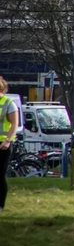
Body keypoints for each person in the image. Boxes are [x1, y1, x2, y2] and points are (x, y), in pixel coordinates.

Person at [0, 76, 21, 212]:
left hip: (3, 144)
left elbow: (14, 124)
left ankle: (0, 204)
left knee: (0, 175)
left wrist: (7, 140)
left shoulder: (9, 103)